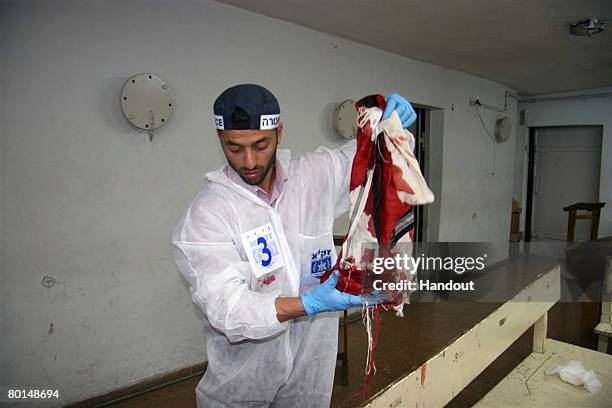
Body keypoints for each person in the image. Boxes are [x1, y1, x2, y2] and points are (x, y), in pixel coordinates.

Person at [172, 84, 416, 408]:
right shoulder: (208, 215)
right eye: (234, 148)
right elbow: (227, 308)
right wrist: (308, 303)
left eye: (261, 145)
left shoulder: (312, 177)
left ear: (279, 132)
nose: (249, 161)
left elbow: (368, 161)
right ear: (221, 141)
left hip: (310, 375)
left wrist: (391, 129)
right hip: (242, 386)